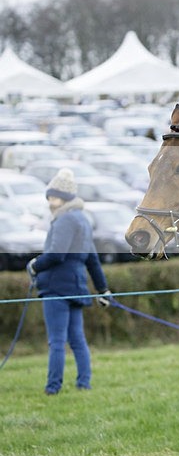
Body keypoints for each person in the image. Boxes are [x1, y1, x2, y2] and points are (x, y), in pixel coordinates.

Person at [26, 168, 112, 395]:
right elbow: (92, 260)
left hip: (57, 289)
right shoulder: (82, 220)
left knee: (56, 342)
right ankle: (84, 384)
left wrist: (34, 265)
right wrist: (103, 289)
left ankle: (52, 388)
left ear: (63, 198)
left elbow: (56, 254)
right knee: (77, 341)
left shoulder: (65, 219)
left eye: (53, 196)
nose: (49, 201)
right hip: (76, 287)